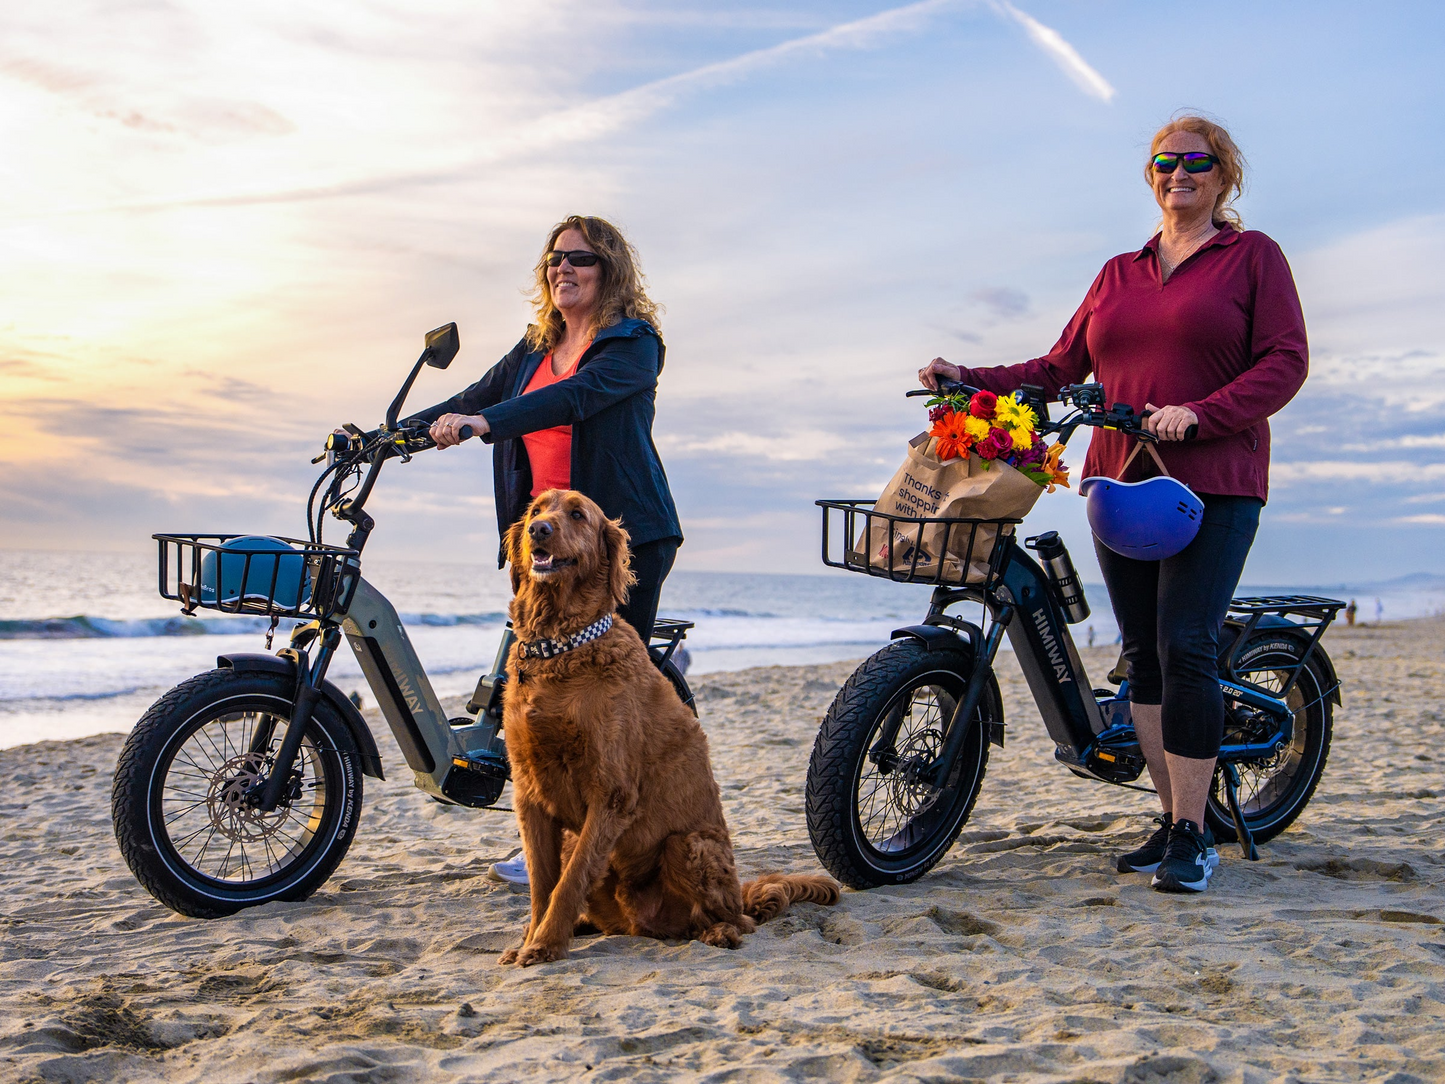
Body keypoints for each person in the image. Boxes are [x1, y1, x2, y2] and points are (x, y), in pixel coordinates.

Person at [921, 114, 1307, 894]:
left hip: (1214, 479)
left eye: (1196, 162)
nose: (1178, 174)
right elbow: (1059, 364)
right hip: (1120, 480)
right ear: (1151, 176)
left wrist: (1202, 412)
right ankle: (1172, 821)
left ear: (1223, 175)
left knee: (1186, 645)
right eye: (1165, 162)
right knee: (1141, 659)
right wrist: (972, 376)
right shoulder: (1117, 271)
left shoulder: (1252, 257)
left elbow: (1285, 361)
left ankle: (1196, 837)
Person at [411, 214, 683, 884]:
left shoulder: (633, 342)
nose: (564, 268)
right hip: (541, 549)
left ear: (609, 269)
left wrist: (485, 423)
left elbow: (575, 398)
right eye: (554, 259)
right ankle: (556, 833)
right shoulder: (534, 346)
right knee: (540, 691)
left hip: (620, 540)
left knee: (595, 700)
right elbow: (472, 397)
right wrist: (392, 435)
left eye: (580, 259)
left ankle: (582, 849)